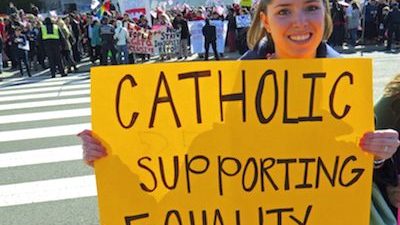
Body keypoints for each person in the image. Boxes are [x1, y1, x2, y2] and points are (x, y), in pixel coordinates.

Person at [79, 0, 400, 206]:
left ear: (325, 12)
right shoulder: (231, 82)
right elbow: (194, 172)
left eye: (311, 7)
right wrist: (114, 159)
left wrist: (376, 155)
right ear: (266, 19)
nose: (300, 21)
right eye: (284, 10)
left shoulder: (347, 81)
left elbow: (353, 174)